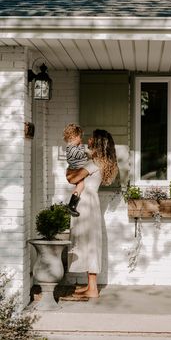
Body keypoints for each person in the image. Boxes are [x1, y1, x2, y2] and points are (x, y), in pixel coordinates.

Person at [66, 129, 118, 299]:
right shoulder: (96, 162)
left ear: (98, 143)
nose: (88, 140)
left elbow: (72, 178)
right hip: (89, 203)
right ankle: (91, 285)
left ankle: (93, 288)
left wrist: (70, 168)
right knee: (88, 243)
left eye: (92, 138)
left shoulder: (94, 163)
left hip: (87, 204)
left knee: (89, 243)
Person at [63, 123, 89, 217]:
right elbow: (79, 155)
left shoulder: (73, 147)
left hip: (76, 171)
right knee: (81, 185)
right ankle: (71, 205)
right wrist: (82, 147)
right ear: (74, 136)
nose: (81, 139)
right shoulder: (71, 148)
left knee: (80, 186)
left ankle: (72, 205)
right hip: (74, 172)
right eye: (79, 137)